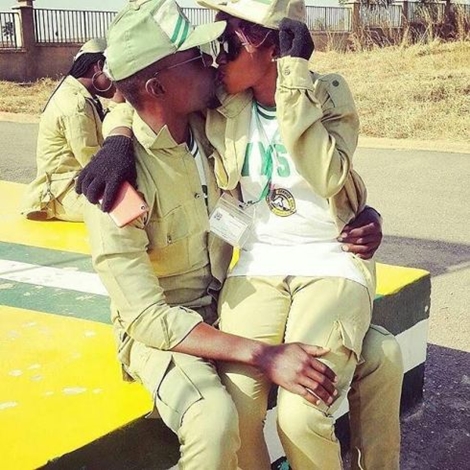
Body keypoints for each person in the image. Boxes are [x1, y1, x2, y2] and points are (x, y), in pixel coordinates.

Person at [78, 2, 403, 469]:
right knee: (223, 416)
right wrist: (116, 139)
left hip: (245, 297)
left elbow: (321, 176)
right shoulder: (119, 181)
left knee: (372, 360)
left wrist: (360, 210)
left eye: (220, 46)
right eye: (200, 54)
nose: (212, 59)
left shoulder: (201, 120)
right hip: (178, 322)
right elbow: (147, 318)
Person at [21, 38, 120, 221]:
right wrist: (119, 103)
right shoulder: (76, 105)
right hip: (62, 193)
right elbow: (94, 163)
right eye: (115, 73)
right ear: (99, 66)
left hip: (75, 183)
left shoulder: (79, 94)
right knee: (129, 210)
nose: (118, 81)